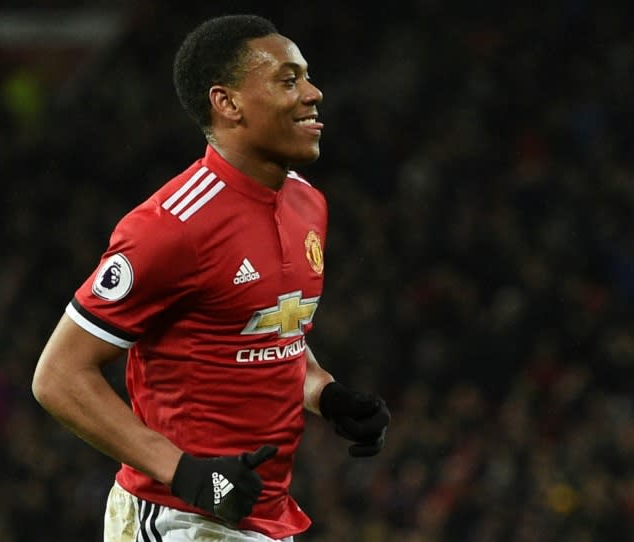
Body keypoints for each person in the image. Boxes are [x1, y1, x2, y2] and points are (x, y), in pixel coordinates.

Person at [31, 14, 390, 542]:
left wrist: (324, 393)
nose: (313, 93)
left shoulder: (307, 203)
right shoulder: (171, 227)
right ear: (228, 103)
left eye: (306, 77)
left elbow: (270, 334)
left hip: (260, 514)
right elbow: (58, 375)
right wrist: (184, 471)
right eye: (288, 80)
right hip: (177, 517)